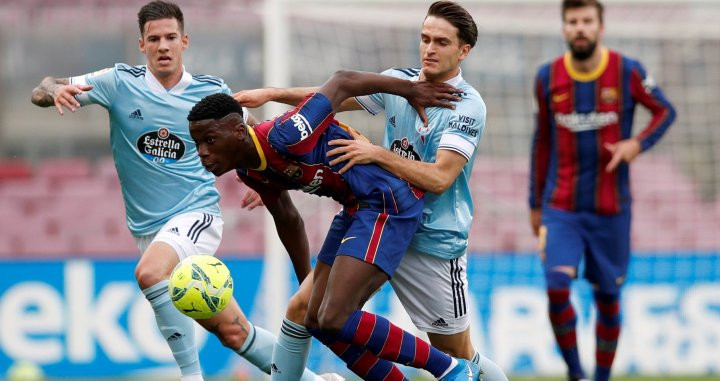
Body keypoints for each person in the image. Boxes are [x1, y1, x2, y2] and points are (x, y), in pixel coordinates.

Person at [29, 2, 334, 381]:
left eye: (171, 37)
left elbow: (253, 136)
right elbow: (43, 88)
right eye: (154, 39)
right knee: (234, 332)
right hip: (148, 231)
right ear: (141, 44)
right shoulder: (118, 82)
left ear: (184, 41)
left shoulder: (210, 94)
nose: (163, 46)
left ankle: (191, 377)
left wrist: (266, 176)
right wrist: (55, 91)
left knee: (150, 273)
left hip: (196, 216)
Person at [233, 2, 507, 381]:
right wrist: (270, 94)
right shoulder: (401, 82)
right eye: (425, 39)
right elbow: (331, 99)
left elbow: (441, 178)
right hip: (381, 215)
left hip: (433, 242)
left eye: (441, 42)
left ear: (464, 51)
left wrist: (377, 154)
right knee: (306, 311)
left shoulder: (467, 106)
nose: (429, 48)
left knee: (457, 352)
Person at [187, 69, 484, 381]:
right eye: (196, 143)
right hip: (356, 207)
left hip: (387, 200)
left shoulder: (286, 134)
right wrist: (308, 285)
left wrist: (409, 90)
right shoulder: (251, 172)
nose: (202, 153)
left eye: (209, 140)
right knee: (316, 320)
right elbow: (288, 220)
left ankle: (451, 369)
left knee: (334, 318)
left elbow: (342, 82)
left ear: (237, 131)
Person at [528, 1, 676, 380]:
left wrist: (636, 144)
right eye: (572, 21)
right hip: (562, 207)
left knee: (608, 298)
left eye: (587, 21)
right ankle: (577, 374)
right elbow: (542, 141)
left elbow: (664, 111)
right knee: (557, 287)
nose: (580, 28)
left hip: (612, 210)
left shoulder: (627, 71)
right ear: (564, 28)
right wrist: (534, 204)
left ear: (600, 27)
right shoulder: (547, 77)